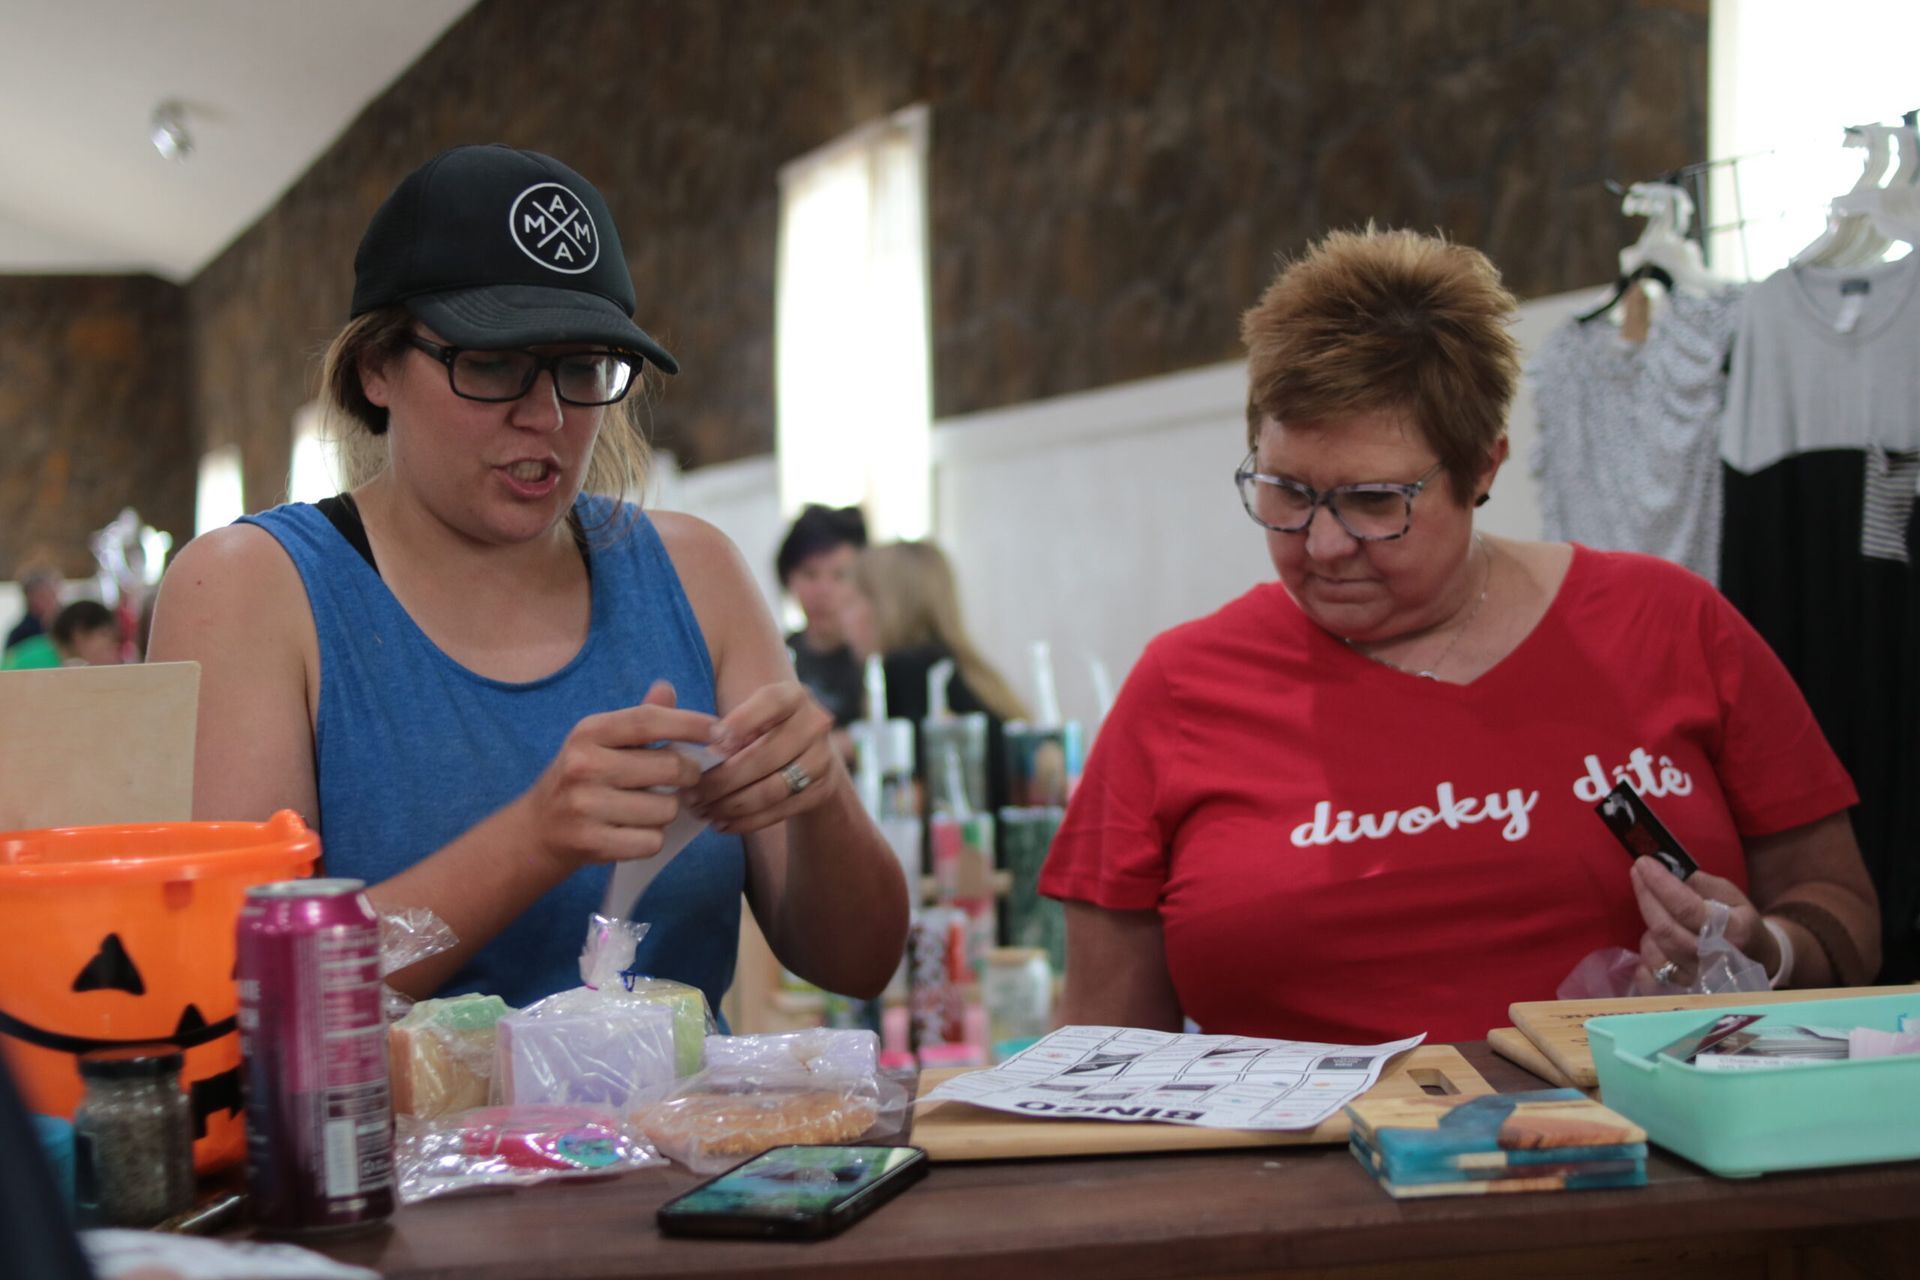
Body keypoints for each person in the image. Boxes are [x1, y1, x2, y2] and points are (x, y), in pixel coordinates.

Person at [1043, 227, 1882, 1045]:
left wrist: (1762, 951)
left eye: (1376, 502)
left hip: (1650, 1168)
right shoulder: (1182, 688)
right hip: (1294, 1181)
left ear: (1483, 468)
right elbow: (1105, 1048)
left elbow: (1841, 916)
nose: (1324, 543)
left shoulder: (1672, 625)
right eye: (1286, 491)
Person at [146, 144, 908, 1014]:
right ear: (376, 368)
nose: (545, 416)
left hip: (690, 1149)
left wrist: (820, 792)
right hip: (382, 1153)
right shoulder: (253, 588)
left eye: (581, 370)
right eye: (492, 363)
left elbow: (860, 964)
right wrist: (534, 838)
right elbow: (245, 993)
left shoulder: (695, 573)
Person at [842, 541, 1030, 815]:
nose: (843, 618)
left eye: (851, 602)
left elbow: (903, 801)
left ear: (885, 607)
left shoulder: (906, 671)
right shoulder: (965, 672)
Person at [777, 504, 868, 729]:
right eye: (810, 574)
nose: (823, 591)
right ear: (789, 579)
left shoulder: (878, 657)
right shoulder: (777, 658)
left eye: (839, 575)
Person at [1, 600, 122, 670]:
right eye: (105, 635)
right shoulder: (45, 665)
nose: (111, 646)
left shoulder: (41, 648)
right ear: (79, 634)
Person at [4, 560, 62, 655]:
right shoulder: (20, 634)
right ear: (29, 597)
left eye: (53, 594)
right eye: (43, 596)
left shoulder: (69, 627)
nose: (51, 600)